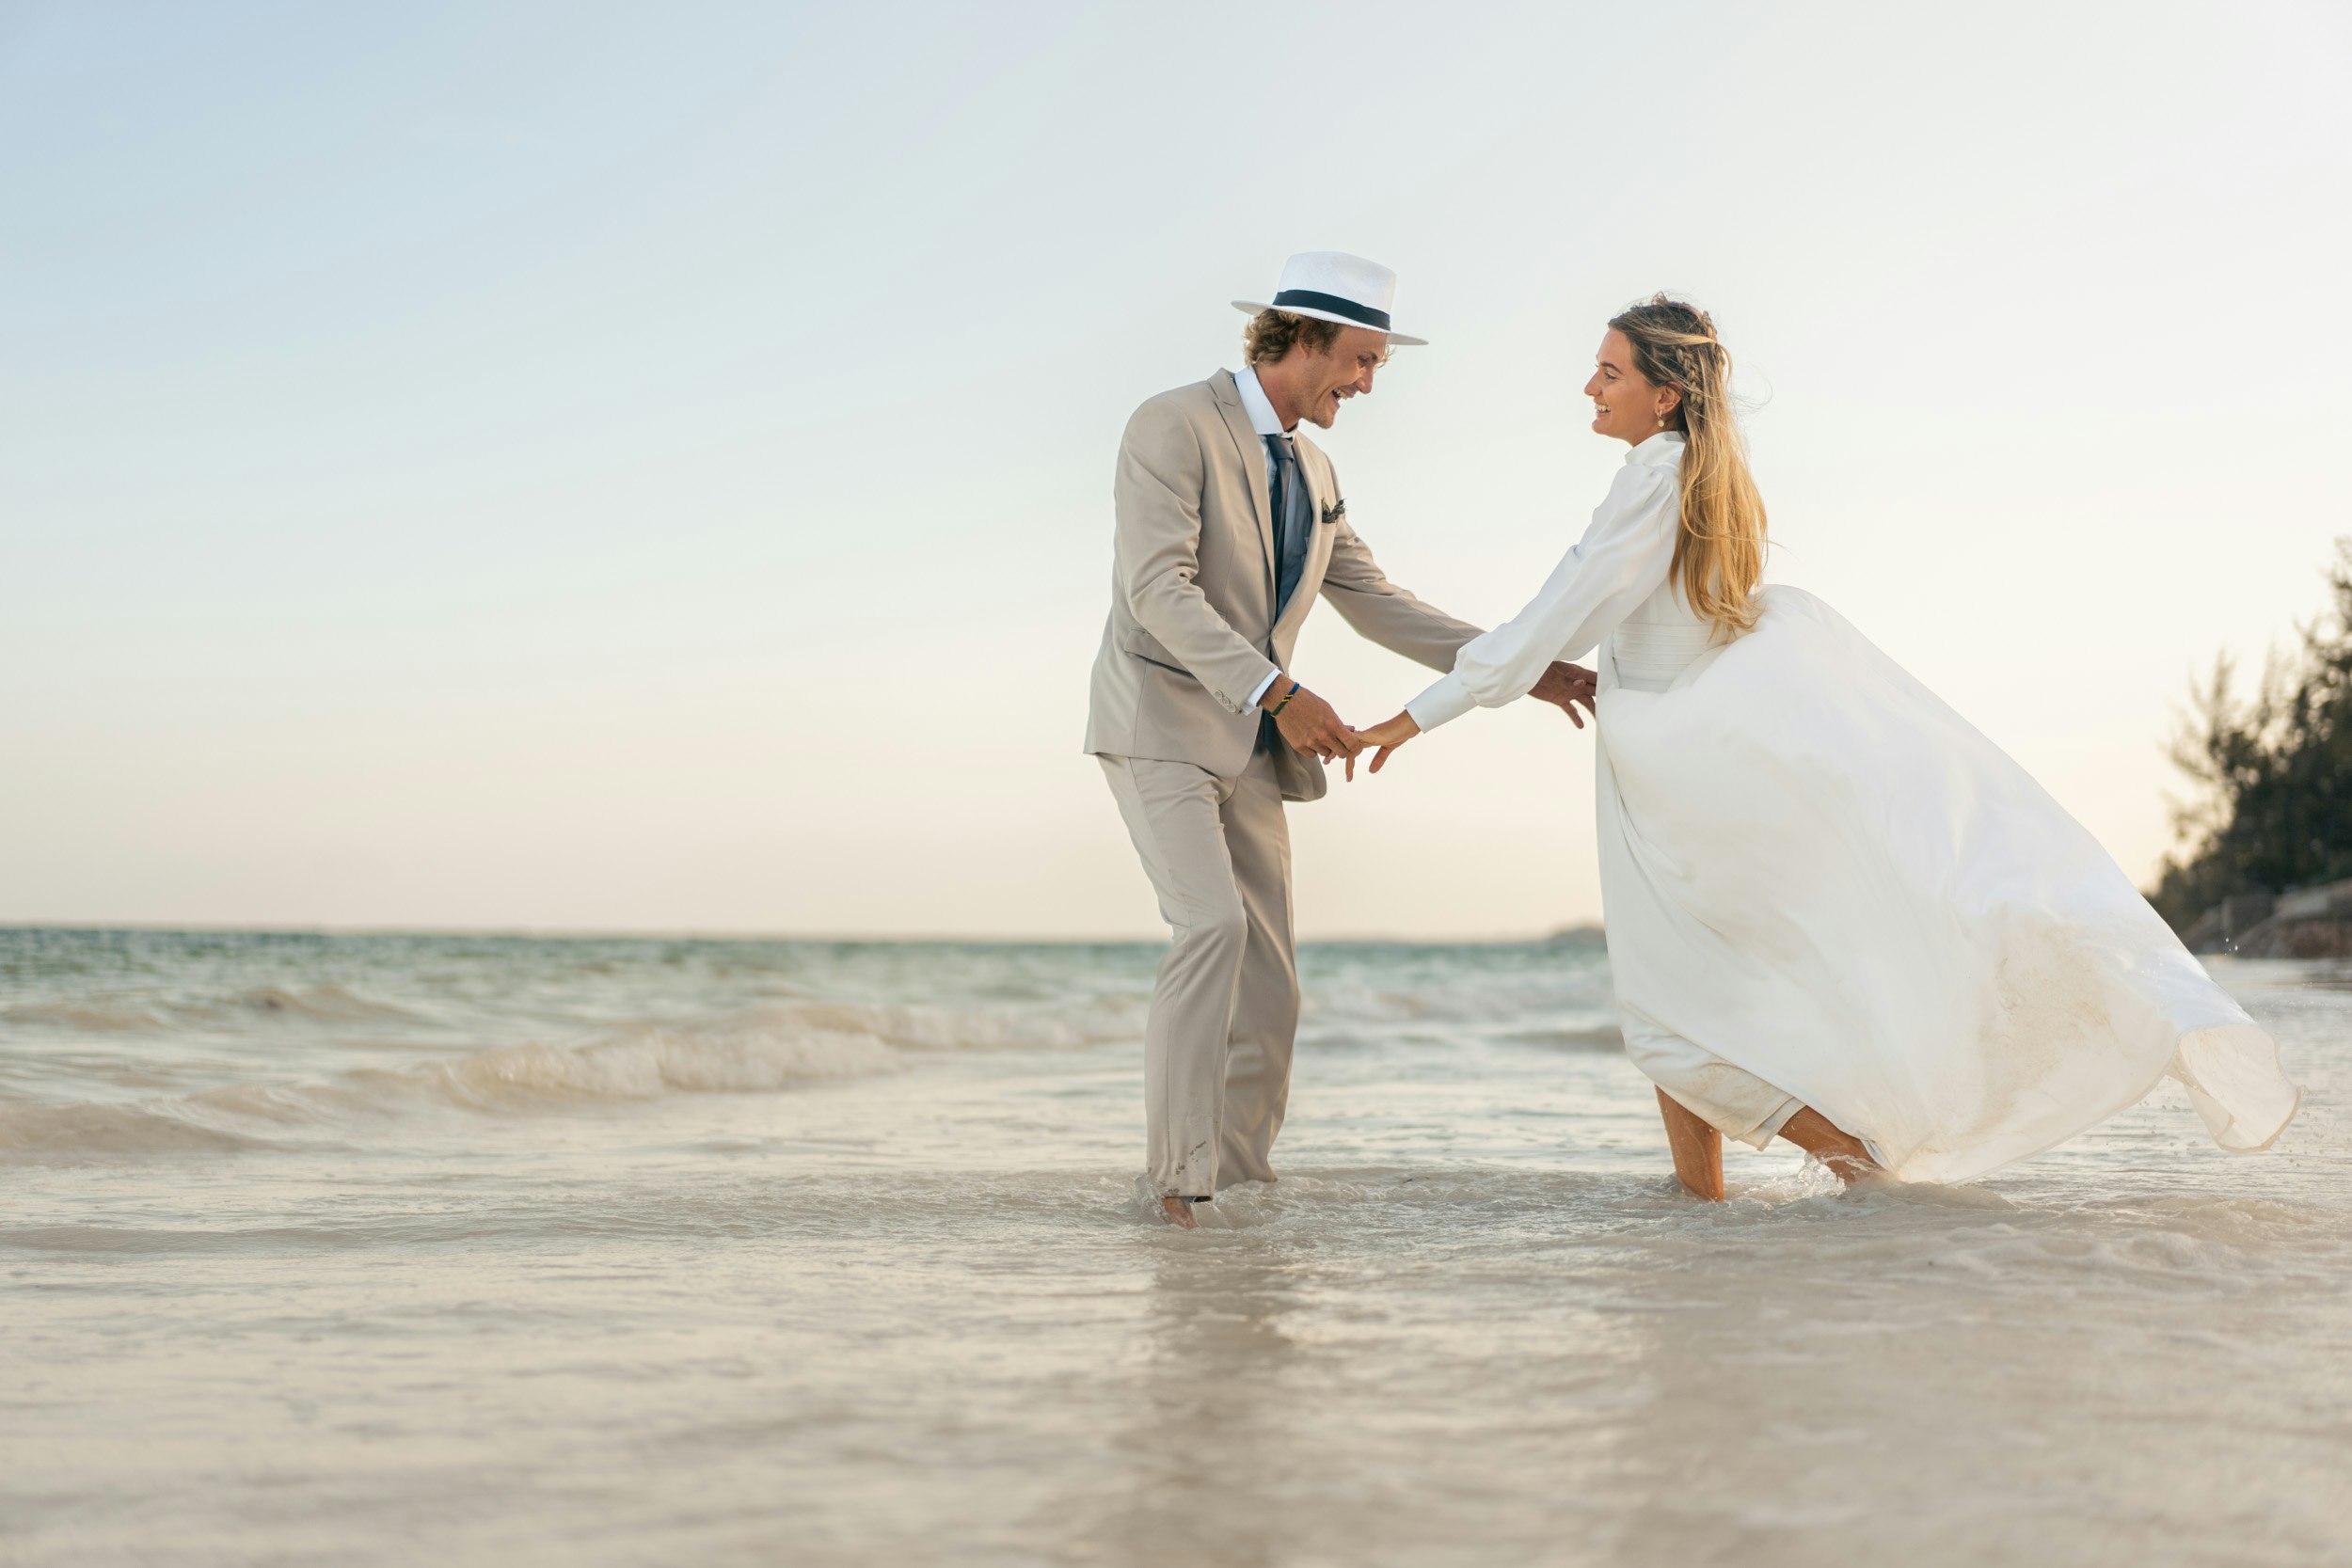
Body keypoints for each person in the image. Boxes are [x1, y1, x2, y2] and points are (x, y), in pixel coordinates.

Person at [1350, 294, 2300, 1196]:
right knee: (1683, 994)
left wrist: (1418, 713)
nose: (1590, 389)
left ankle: (1855, 1165)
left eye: (1607, 372)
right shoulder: (1699, 472)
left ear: (1665, 393)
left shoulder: (1648, 477)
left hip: (1670, 755)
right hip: (1693, 738)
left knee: (1668, 1009)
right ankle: (1704, 1206)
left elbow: (1553, 611)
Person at [1085, 252, 1597, 1226]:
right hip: (1159, 720)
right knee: (1212, 929)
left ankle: (1236, 1178)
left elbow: (1376, 601)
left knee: (1271, 981)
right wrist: (1278, 690)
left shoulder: (1316, 468)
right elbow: (1159, 593)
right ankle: (1175, 1183)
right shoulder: (1171, 423)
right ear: (1302, 339)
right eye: (1359, 362)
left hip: (1251, 746)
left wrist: (1518, 666)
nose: (1364, 385)